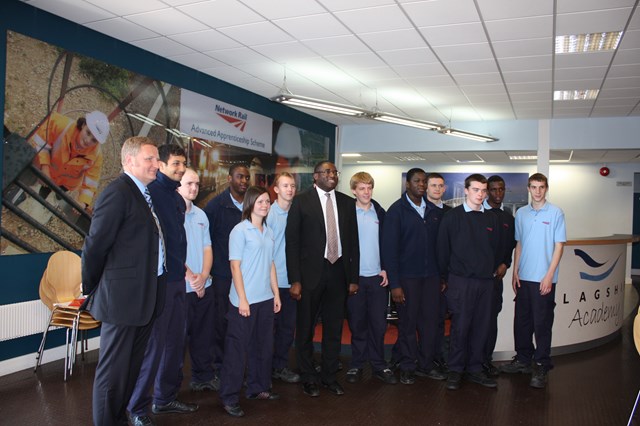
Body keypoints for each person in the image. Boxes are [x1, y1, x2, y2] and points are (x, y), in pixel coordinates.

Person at [81, 136, 164, 426]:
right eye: (150, 159)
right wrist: (91, 288)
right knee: (113, 374)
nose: (157, 164)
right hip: (121, 300)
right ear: (129, 161)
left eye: (157, 158)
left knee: (129, 371)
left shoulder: (142, 194)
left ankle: (118, 419)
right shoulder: (118, 192)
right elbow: (95, 246)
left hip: (142, 300)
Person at [127, 145, 196, 425]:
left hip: (179, 280)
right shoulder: (150, 193)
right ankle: (136, 409)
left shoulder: (176, 197)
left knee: (176, 342)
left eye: (183, 164)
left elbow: (176, 242)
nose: (180, 169)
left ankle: (165, 398)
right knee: (154, 348)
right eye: (176, 164)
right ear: (163, 165)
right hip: (160, 283)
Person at [286, 161, 359, 397]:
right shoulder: (301, 201)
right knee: (306, 328)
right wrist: (295, 279)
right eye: (327, 172)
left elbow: (353, 244)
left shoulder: (348, 203)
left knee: (334, 329)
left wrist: (353, 277)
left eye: (334, 172)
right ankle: (308, 377)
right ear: (315, 177)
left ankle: (329, 377)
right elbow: (292, 243)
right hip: (309, 276)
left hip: (338, 273)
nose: (332, 175)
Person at [219, 186, 282, 417]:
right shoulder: (240, 230)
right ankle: (229, 397)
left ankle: (258, 388)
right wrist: (242, 300)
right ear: (251, 204)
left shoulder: (268, 230)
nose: (265, 205)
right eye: (261, 201)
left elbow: (271, 264)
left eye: (267, 201)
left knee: (263, 347)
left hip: (265, 299)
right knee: (237, 350)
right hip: (243, 301)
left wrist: (276, 294)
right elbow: (234, 266)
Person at [500, 173, 566, 389]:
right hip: (524, 278)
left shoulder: (556, 213)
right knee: (522, 322)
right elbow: (519, 244)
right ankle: (523, 359)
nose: (537, 191)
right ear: (529, 188)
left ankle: (541, 363)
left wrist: (549, 275)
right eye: (534, 187)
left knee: (542, 323)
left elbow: (559, 246)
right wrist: (515, 270)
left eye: (541, 187)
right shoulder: (521, 213)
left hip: (543, 279)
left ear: (546, 189)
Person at [383, 168, 447, 385]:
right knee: (408, 325)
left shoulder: (433, 211)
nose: (421, 184)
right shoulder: (396, 211)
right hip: (406, 280)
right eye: (417, 181)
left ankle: (425, 366)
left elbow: (441, 247)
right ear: (407, 184)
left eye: (424, 181)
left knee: (429, 325)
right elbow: (389, 251)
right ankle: (408, 366)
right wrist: (395, 284)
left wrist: (442, 277)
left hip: (431, 278)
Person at [437, 173, 501, 391]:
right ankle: (455, 370)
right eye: (475, 190)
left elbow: (495, 249)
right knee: (460, 327)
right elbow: (442, 251)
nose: (480, 194)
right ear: (466, 190)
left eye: (483, 191)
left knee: (481, 327)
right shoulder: (452, 217)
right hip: (460, 281)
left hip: (485, 283)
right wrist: (446, 279)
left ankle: (475, 369)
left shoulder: (491, 218)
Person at [345, 172, 396, 385]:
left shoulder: (380, 213)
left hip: (377, 279)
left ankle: (378, 364)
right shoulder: (347, 213)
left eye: (369, 188)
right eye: (362, 188)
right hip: (355, 279)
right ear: (354, 190)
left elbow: (388, 244)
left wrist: (385, 268)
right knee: (357, 324)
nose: (366, 192)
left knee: (377, 324)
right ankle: (356, 364)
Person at [204, 164, 250, 383]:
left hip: (246, 276)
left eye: (247, 177)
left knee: (241, 324)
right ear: (229, 178)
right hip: (222, 276)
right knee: (221, 324)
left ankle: (238, 365)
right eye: (240, 176)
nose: (244, 181)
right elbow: (207, 243)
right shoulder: (215, 207)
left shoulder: (251, 206)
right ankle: (220, 368)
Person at [177, 168, 216, 391]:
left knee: (204, 336)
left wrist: (203, 277)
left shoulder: (201, 215)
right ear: (178, 185)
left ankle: (203, 377)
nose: (194, 188)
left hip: (204, 286)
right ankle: (170, 390)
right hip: (183, 288)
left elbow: (207, 248)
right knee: (178, 342)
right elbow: (172, 250)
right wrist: (192, 278)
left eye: (197, 184)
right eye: (189, 183)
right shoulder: (171, 213)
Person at [29, 110, 110, 211]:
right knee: (43, 187)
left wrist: (83, 202)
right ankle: (40, 195)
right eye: (88, 133)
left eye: (94, 140)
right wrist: (44, 167)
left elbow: (91, 181)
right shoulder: (60, 125)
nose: (88, 140)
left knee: (59, 194)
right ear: (83, 125)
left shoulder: (96, 156)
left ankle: (54, 197)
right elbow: (41, 143)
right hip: (48, 170)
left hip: (66, 184)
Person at [268, 172, 301, 384]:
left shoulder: (297, 213)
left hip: (292, 282)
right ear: (276, 189)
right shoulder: (269, 213)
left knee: (288, 329)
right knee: (269, 330)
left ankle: (279, 366)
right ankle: (264, 368)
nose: (290, 189)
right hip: (272, 283)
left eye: (292, 186)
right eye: (285, 186)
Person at [482, 175, 516, 377]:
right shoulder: (479, 214)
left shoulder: (507, 218)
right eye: (493, 189)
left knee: (491, 321)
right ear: (487, 192)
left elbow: (510, 246)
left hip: (496, 280)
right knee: (475, 321)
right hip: (477, 279)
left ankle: (486, 361)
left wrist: (506, 263)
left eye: (501, 189)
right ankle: (471, 362)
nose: (497, 193)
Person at [425, 172, 451, 373]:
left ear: (444, 189)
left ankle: (438, 356)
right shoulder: (420, 210)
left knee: (440, 319)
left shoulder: (451, 213)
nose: (436, 188)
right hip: (423, 276)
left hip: (444, 276)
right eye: (433, 185)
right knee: (422, 320)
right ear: (426, 187)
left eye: (440, 185)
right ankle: (422, 359)